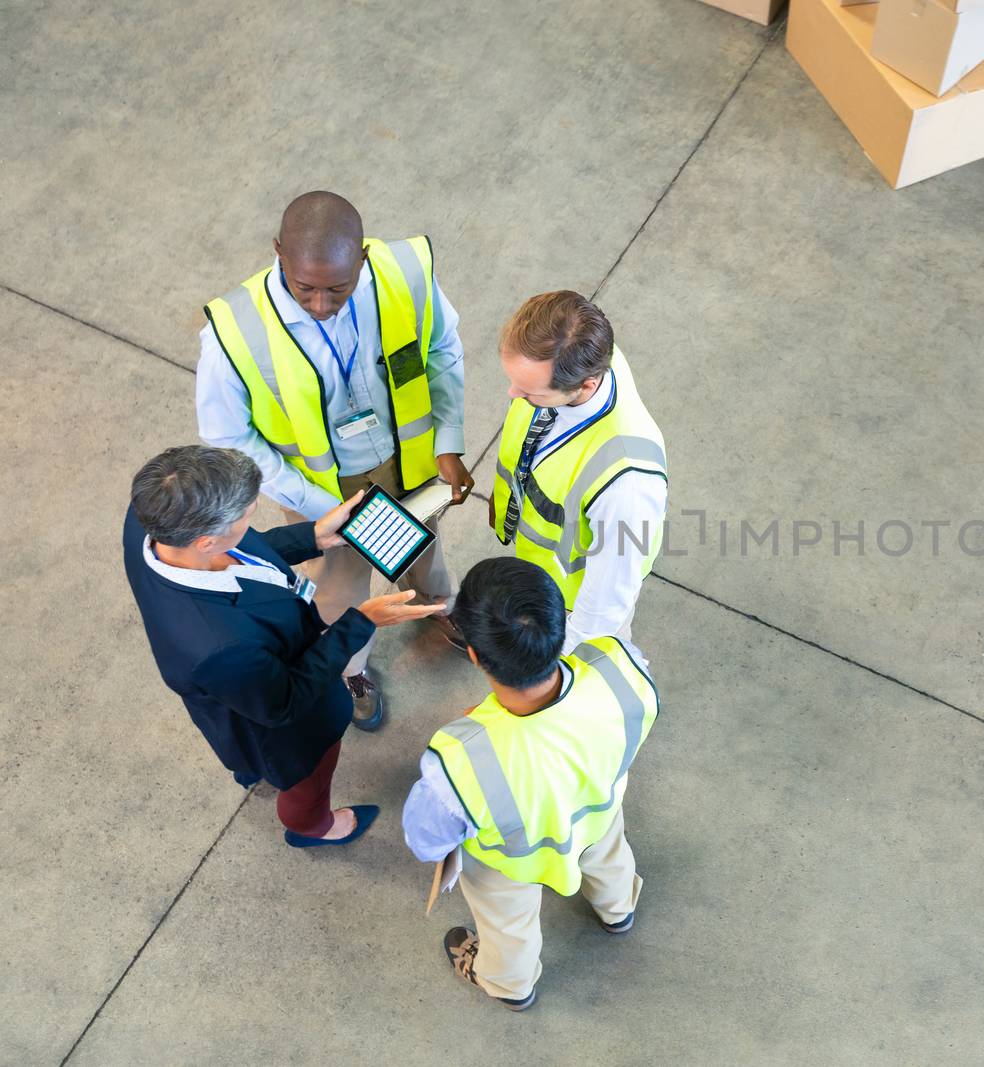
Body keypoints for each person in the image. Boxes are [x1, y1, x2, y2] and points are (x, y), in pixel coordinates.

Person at [196, 190, 472, 731]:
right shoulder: (233, 330)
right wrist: (321, 505)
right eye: (305, 289)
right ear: (278, 252)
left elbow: (442, 349)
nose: (321, 305)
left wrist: (448, 441)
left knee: (421, 542)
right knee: (340, 587)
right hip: (320, 484)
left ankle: (440, 606)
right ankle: (350, 670)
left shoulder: (405, 276)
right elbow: (228, 438)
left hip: (405, 458)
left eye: (337, 290)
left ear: (363, 258)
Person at [123, 446, 444, 846]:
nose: (253, 509)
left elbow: (247, 549)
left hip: (244, 684)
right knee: (307, 782)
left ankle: (255, 775)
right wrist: (362, 622)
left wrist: (314, 537)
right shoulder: (219, 647)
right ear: (205, 541)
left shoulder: (151, 521)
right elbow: (284, 703)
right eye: (245, 513)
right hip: (286, 725)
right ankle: (313, 827)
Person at [402, 556, 659, 1010]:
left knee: (508, 923)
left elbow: (425, 841)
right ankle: (618, 909)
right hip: (599, 811)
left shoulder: (457, 760)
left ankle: (509, 985)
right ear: (560, 622)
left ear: (477, 656)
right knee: (608, 854)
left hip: (510, 861)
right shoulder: (621, 663)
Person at [488, 290, 667, 656]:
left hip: (571, 606)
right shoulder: (587, 352)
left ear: (585, 384)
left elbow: (603, 607)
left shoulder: (626, 485)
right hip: (539, 577)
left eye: (530, 392)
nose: (512, 393)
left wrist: (560, 663)